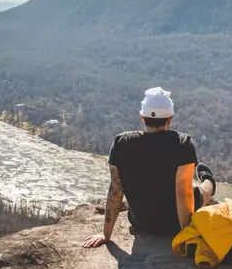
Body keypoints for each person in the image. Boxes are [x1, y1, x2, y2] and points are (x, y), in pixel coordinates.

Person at [83, 87, 217, 247]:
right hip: (174, 226)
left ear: (142, 117)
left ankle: (206, 179)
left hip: (141, 223)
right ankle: (208, 179)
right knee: (200, 191)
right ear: (170, 118)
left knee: (191, 187)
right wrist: (185, 236)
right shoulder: (182, 143)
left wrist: (105, 234)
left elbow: (116, 189)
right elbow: (183, 193)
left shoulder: (121, 142)